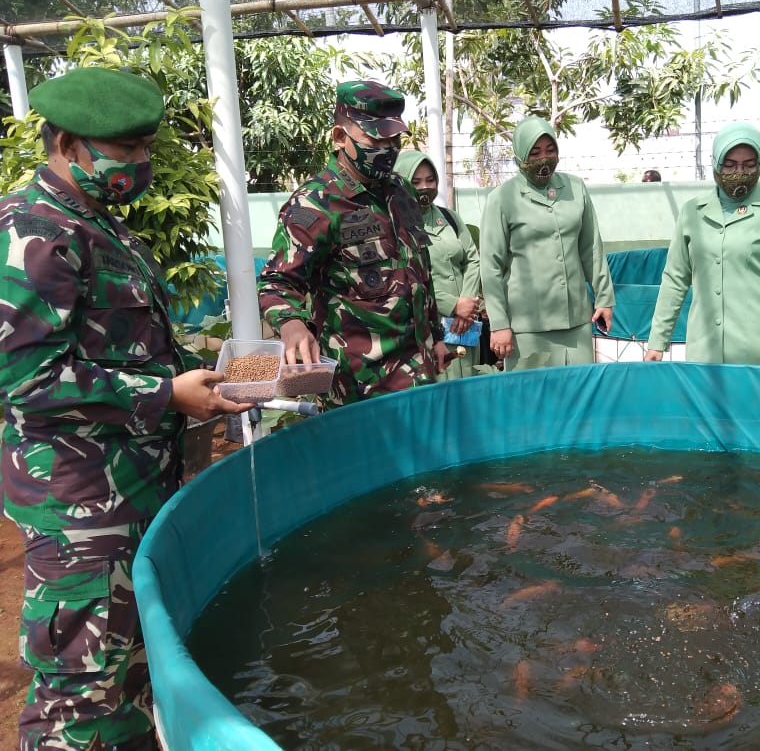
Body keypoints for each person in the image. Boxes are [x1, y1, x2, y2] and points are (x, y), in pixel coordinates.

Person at [0, 66, 252, 751]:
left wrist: (189, 382)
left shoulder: (97, 224)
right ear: (66, 141)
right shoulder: (35, 232)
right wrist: (164, 394)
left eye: (145, 148)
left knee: (130, 687)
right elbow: (23, 376)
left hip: (130, 492)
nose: (140, 163)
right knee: (78, 703)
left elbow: (117, 347)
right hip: (81, 510)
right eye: (125, 149)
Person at [257, 80, 451, 407]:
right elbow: (276, 282)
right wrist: (290, 324)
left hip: (418, 373)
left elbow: (418, 271)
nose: (388, 148)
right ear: (339, 137)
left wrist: (436, 337)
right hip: (361, 387)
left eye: (394, 138)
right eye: (375, 137)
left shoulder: (400, 190)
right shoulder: (315, 204)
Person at [643, 122, 760, 365]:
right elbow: (675, 279)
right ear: (716, 163)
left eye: (749, 165)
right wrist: (657, 340)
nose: (739, 173)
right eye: (730, 165)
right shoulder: (692, 213)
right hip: (704, 354)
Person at [479, 116, 615, 370]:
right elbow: (491, 267)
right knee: (532, 402)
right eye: (535, 152)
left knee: (579, 397)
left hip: (576, 322)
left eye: (550, 150)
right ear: (520, 154)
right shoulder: (502, 198)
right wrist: (499, 324)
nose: (544, 158)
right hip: (526, 326)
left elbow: (591, 249)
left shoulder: (575, 188)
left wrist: (604, 298)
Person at [393, 149, 482, 380]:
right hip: (431, 330)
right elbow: (406, 277)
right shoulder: (396, 227)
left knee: (470, 390)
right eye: (416, 181)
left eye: (430, 180)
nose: (424, 187)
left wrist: (467, 304)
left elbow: (472, 258)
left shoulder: (450, 217)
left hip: (466, 327)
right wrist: (453, 305)